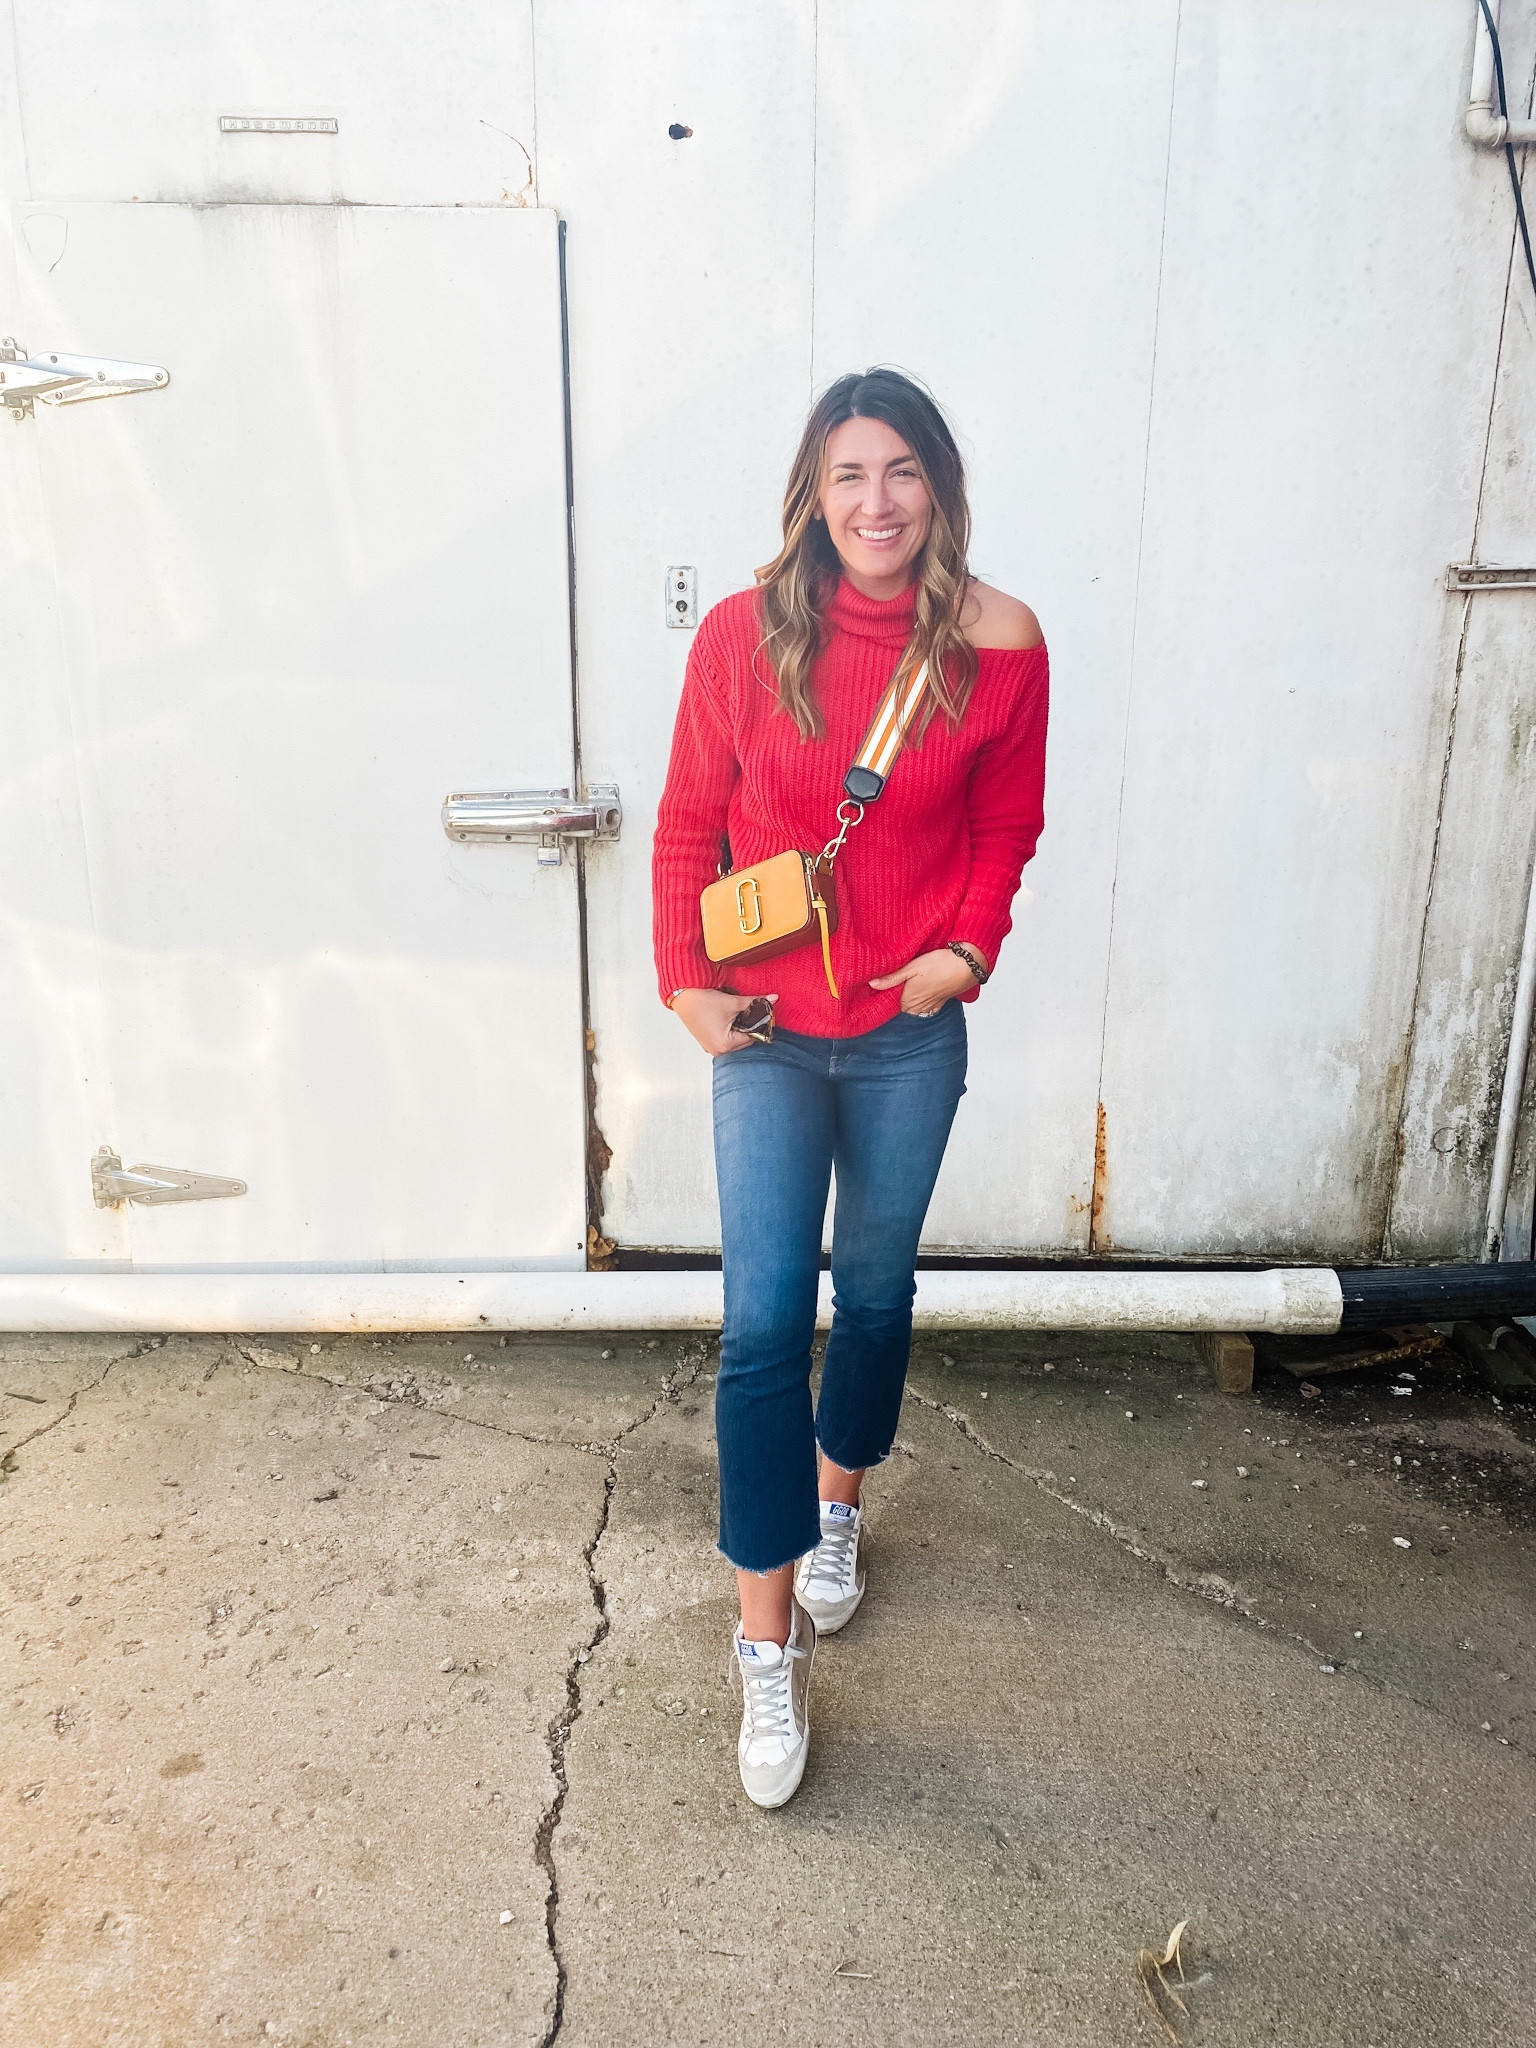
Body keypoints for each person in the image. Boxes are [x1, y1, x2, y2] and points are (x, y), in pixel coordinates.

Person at [651, 367, 1049, 1808]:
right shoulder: (747, 638)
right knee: (763, 1326)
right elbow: (691, 819)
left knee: (873, 1298)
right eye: (847, 477)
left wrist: (965, 952)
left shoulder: (999, 641)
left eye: (900, 473)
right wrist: (684, 984)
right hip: (765, 1032)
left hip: (901, 1035)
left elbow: (1008, 825)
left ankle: (838, 1509)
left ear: (936, 484)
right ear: (812, 496)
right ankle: (765, 1652)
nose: (875, 503)